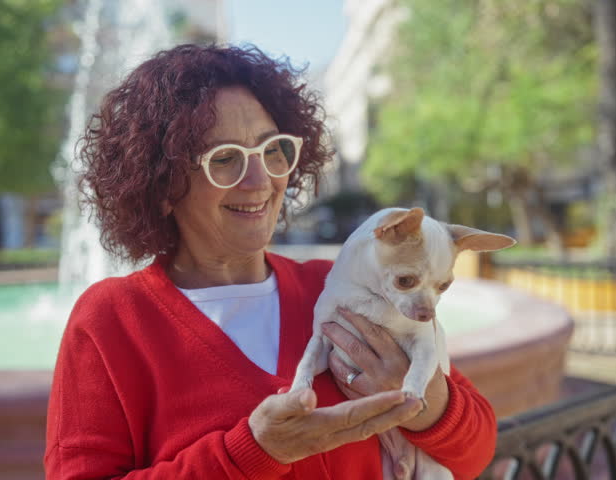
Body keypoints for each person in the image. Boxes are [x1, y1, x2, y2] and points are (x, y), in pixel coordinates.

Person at [44, 44, 496, 480]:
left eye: (272, 150)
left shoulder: (343, 286)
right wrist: (255, 452)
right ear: (162, 187)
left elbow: (476, 452)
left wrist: (425, 399)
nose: (260, 180)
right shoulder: (111, 320)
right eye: (225, 158)